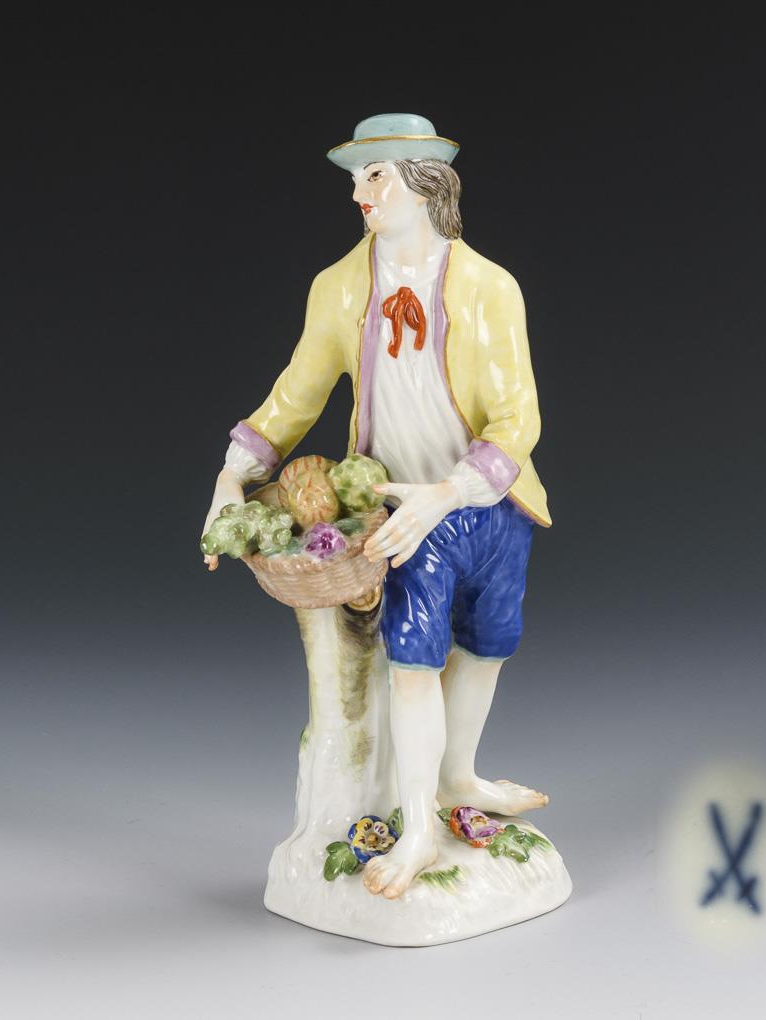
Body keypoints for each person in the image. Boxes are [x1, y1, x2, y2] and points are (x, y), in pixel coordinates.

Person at [201, 114, 553, 899]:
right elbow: (295, 394)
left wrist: (452, 493)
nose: (359, 193)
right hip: (399, 509)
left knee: (490, 644)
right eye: (356, 179)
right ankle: (419, 829)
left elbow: (517, 419)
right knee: (413, 661)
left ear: (424, 185)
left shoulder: (489, 287)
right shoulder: (339, 288)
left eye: (376, 176)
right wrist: (231, 474)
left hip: (486, 498)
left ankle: (458, 775)